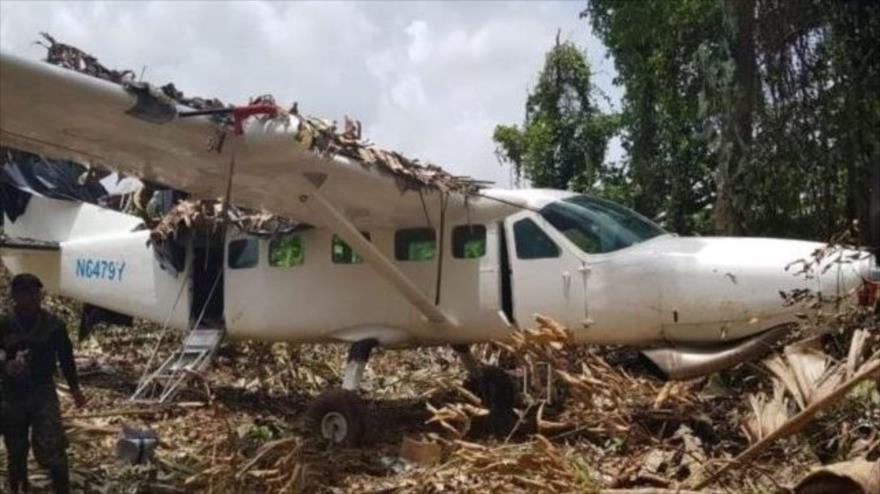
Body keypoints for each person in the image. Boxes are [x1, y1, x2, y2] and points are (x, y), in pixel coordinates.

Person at [0, 273, 86, 494]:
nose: (32, 298)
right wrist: (7, 366)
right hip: (12, 395)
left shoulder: (54, 325)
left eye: (36, 292)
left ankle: (61, 489)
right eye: (26, 293)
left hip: (43, 392)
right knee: (16, 451)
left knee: (51, 447)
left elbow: (66, 358)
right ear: (15, 296)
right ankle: (19, 488)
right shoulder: (5, 324)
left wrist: (75, 388)